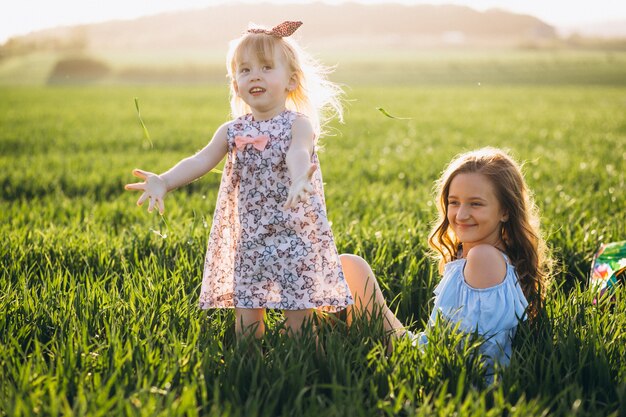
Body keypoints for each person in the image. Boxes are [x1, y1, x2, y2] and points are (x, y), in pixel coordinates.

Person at [125, 21, 353, 339]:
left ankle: (309, 373)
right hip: (251, 242)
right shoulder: (232, 130)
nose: (254, 75)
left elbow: (298, 153)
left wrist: (301, 178)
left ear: (291, 80)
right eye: (245, 70)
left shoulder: (298, 124)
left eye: (266, 67)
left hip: (294, 239)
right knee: (247, 320)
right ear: (235, 84)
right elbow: (201, 160)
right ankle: (251, 370)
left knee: (299, 321)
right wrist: (164, 181)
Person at [339, 147, 550, 379]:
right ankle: (330, 348)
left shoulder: (484, 258)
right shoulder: (476, 254)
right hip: (430, 354)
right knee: (348, 271)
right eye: (454, 202)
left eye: (475, 204)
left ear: (505, 211)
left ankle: (323, 356)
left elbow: (471, 354)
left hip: (433, 368)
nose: (461, 214)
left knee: (351, 267)